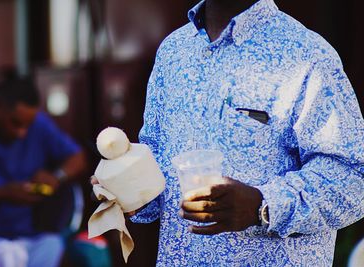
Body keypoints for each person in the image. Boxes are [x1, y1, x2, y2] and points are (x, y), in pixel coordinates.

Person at [128, 0, 364, 265]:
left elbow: (353, 181)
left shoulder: (308, 55)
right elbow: (158, 163)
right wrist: (128, 190)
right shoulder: (173, 52)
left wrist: (261, 206)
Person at [0, 76, 87, 267]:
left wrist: (56, 177)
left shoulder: (37, 124)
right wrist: (1, 193)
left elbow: (78, 158)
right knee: (6, 255)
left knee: (56, 247)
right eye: (15, 123)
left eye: (27, 126)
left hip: (31, 236)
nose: (22, 133)